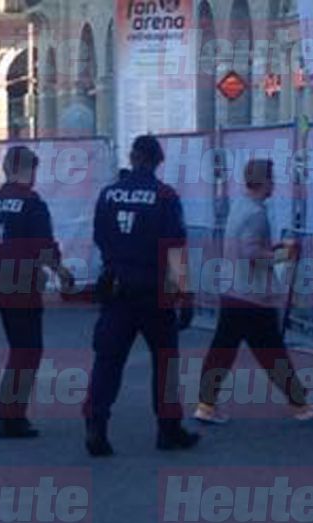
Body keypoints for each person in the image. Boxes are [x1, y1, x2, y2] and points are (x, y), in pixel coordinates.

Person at [193, 159, 313, 424]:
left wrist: (275, 246)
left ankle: (205, 404)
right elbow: (252, 254)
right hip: (253, 296)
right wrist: (283, 254)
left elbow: (247, 246)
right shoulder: (257, 213)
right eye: (272, 178)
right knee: (272, 354)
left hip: (233, 290)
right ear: (265, 181)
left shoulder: (240, 205)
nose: (275, 183)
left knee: (222, 351)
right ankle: (301, 405)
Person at [83, 135, 199, 457]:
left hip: (118, 287)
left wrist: (117, 263)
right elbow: (175, 249)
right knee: (165, 361)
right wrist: (186, 295)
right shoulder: (164, 196)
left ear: (133, 157)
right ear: (157, 161)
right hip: (154, 291)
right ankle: (168, 428)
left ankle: (96, 422)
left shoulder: (108, 195)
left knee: (108, 360)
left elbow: (100, 237)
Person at [0, 146, 75, 439]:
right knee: (28, 349)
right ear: (30, 170)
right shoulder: (32, 203)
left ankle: (11, 413)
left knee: (19, 346)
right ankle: (11, 416)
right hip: (25, 284)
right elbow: (44, 247)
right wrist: (62, 273)